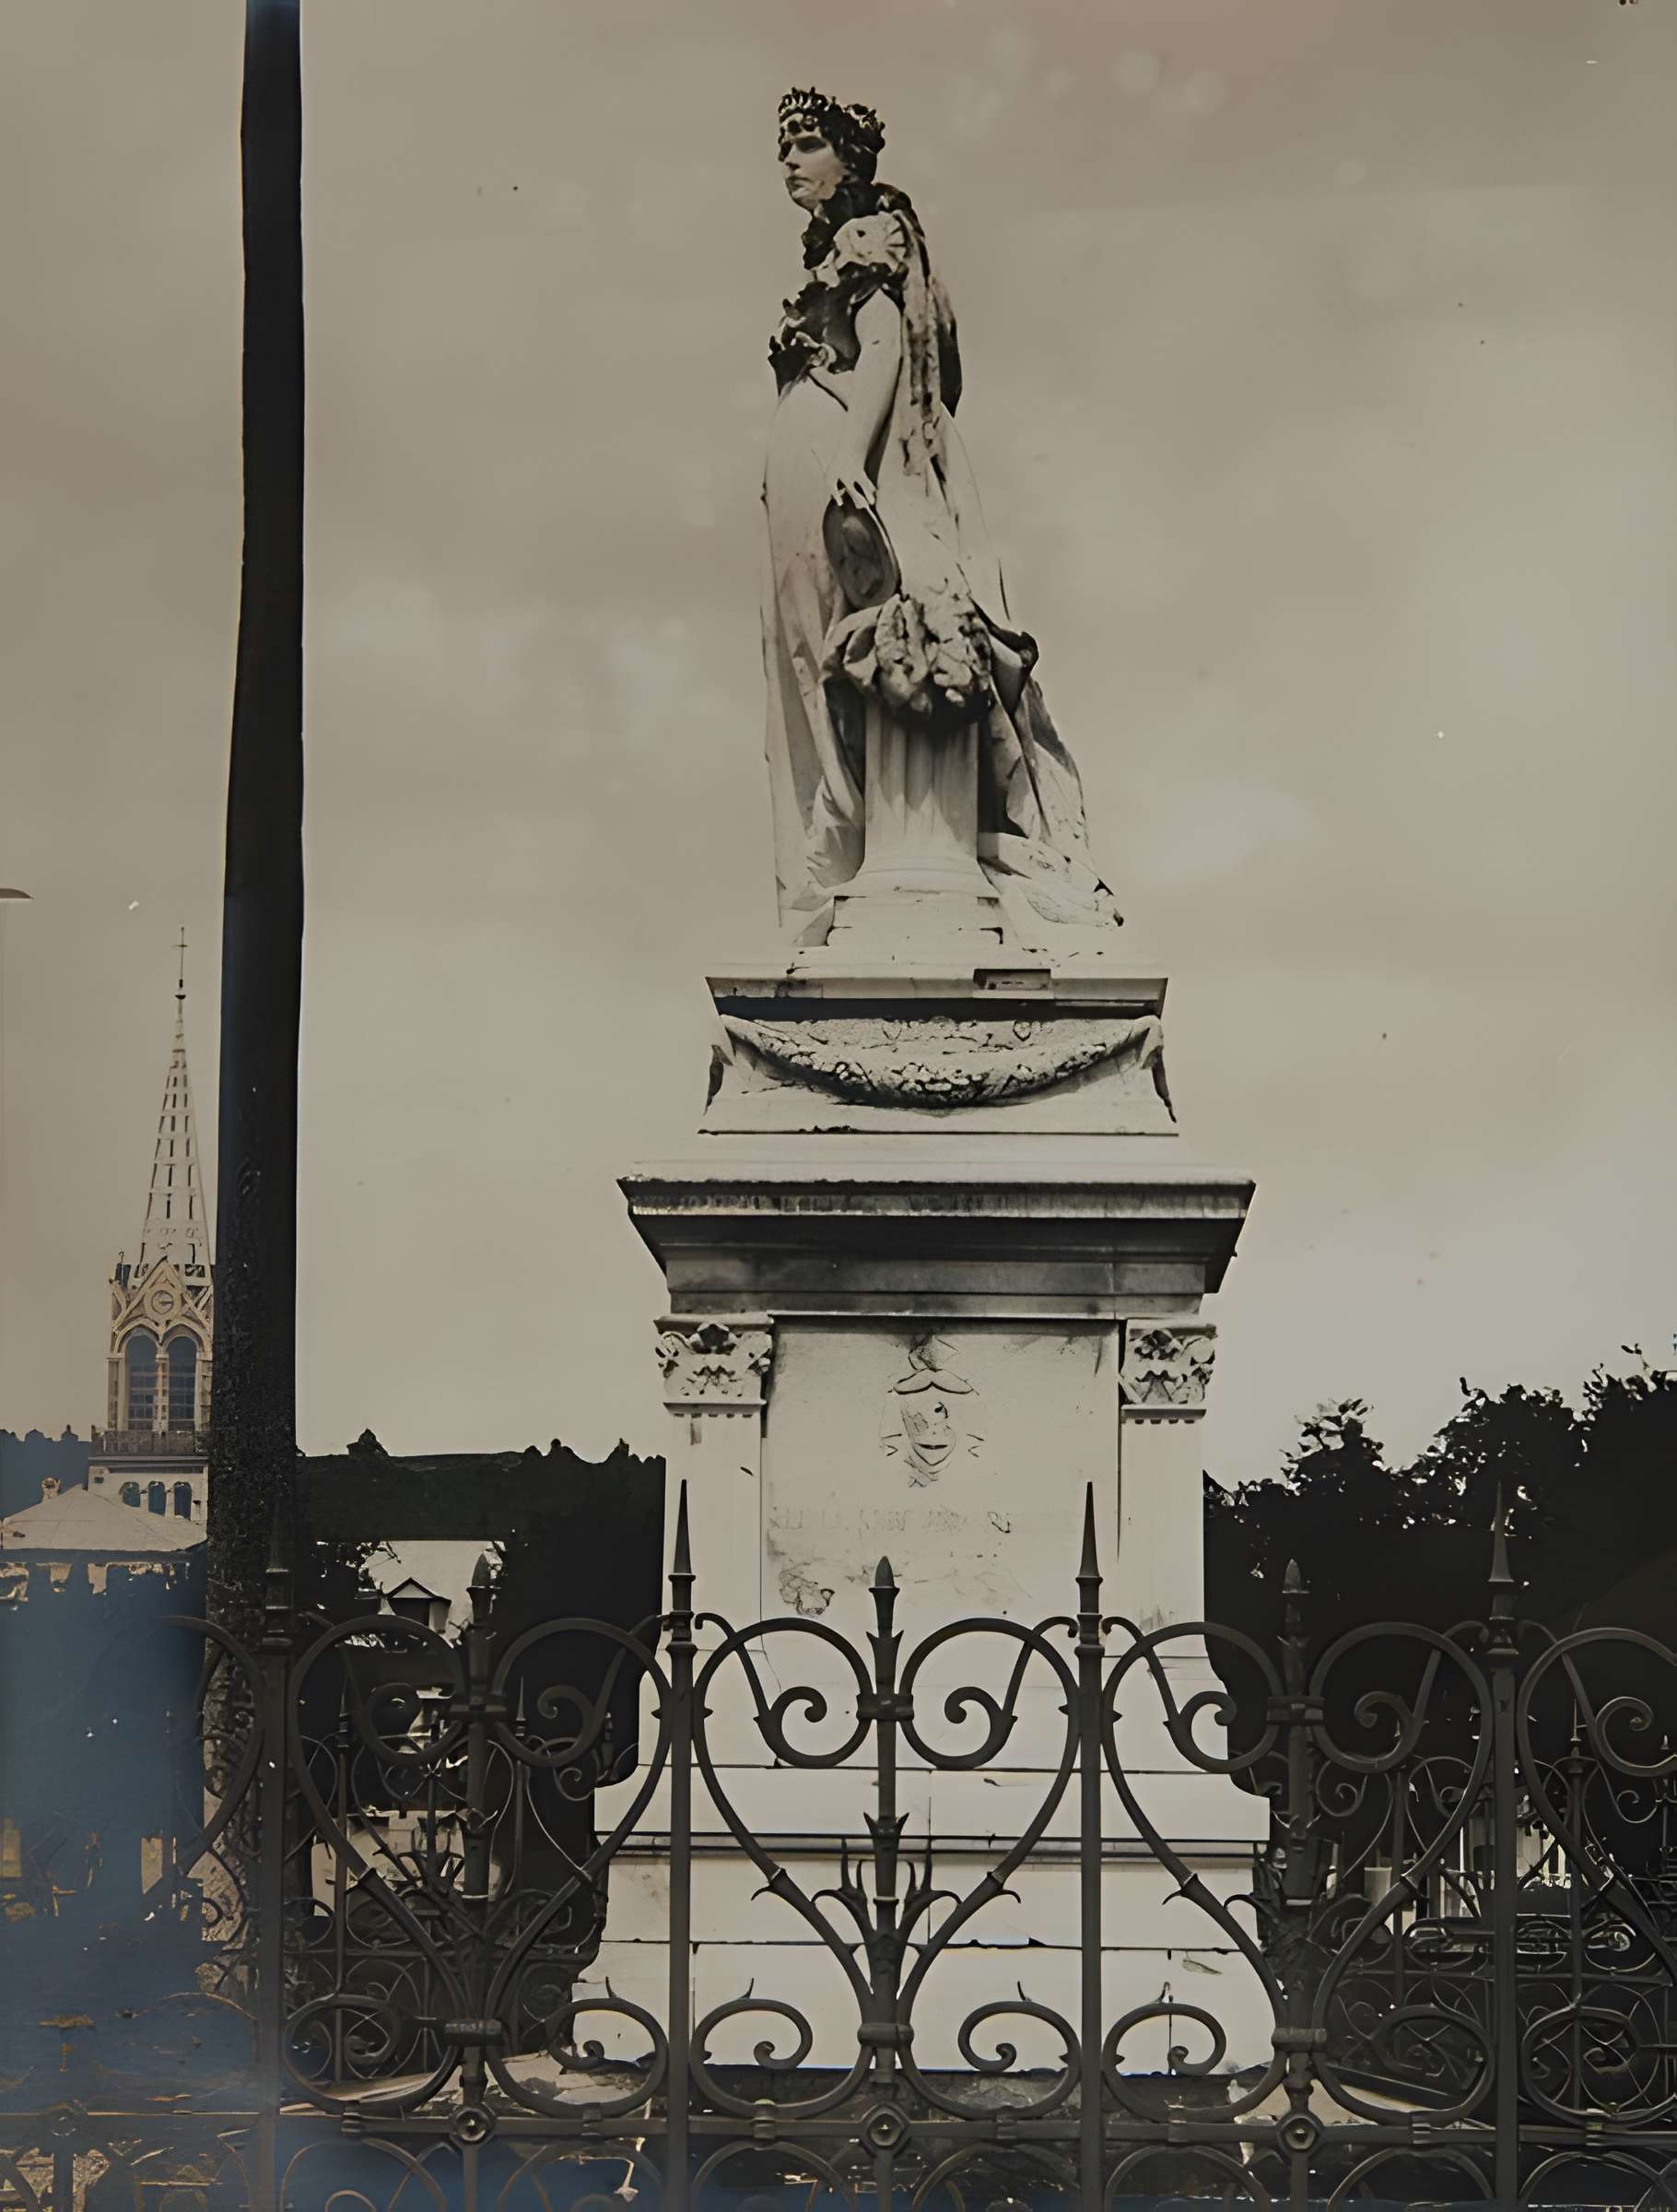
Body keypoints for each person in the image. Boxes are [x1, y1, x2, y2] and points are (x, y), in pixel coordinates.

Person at [761, 87, 1120, 936]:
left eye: (807, 144)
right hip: (827, 475)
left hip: (864, 470)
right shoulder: (830, 253)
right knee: (816, 665)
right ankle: (838, 850)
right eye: (786, 148)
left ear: (849, 158)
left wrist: (849, 454)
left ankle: (859, 851)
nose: (789, 162)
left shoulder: (867, 239)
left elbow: (884, 342)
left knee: (873, 645)